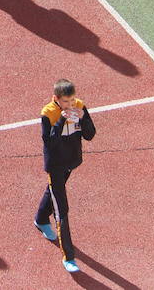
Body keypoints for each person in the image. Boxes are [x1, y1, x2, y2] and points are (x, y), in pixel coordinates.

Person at [34, 78, 97, 273]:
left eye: (72, 101)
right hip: (56, 165)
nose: (70, 105)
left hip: (70, 162)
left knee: (53, 192)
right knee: (62, 209)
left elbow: (90, 134)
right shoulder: (48, 114)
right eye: (66, 102)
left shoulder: (80, 106)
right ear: (56, 99)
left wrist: (82, 119)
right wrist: (62, 119)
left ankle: (41, 219)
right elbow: (49, 143)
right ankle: (69, 257)